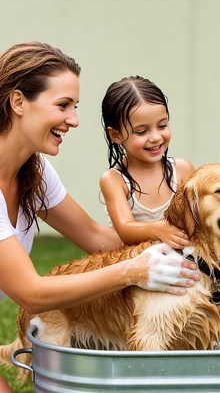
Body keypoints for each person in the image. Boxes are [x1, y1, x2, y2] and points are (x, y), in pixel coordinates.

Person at [0, 42, 199, 392]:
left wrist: (184, 243)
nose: (74, 120)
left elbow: (97, 238)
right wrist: (132, 271)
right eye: (62, 106)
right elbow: (32, 293)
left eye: (74, 107)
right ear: (18, 102)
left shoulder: (34, 170)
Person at [99, 76, 195, 248]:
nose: (156, 137)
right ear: (115, 135)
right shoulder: (115, 179)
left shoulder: (182, 170)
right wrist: (157, 229)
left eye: (162, 125)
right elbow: (125, 230)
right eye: (142, 131)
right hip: (138, 266)